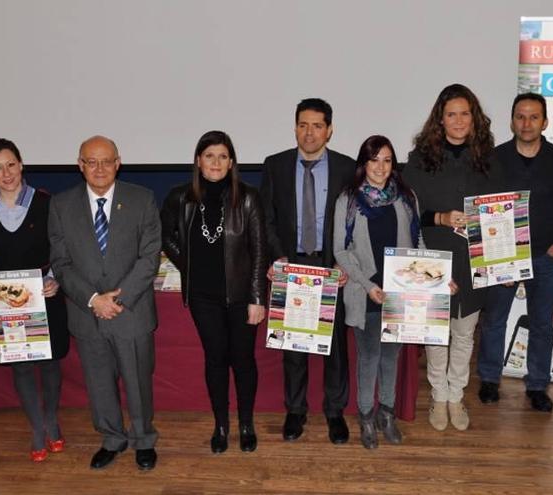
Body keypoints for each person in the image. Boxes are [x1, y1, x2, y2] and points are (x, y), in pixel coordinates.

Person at [48, 135, 161, 471]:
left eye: (107, 161)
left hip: (132, 310)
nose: (100, 168)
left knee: (138, 381)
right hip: (87, 313)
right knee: (98, 382)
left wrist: (118, 298)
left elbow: (149, 256)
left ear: (118, 162)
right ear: (80, 165)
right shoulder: (60, 205)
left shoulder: (142, 199)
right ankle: (112, 438)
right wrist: (94, 299)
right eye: (91, 161)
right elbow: (61, 261)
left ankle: (143, 439)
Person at [402, 83, 505, 432]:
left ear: (474, 119)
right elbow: (409, 211)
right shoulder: (419, 160)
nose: (458, 120)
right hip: (434, 260)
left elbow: (502, 213)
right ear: (440, 120)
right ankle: (438, 394)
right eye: (451, 114)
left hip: (475, 261)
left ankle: (456, 395)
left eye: (465, 113)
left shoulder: (491, 160)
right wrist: (441, 218)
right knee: (436, 334)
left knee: (464, 334)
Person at [161, 130, 267, 454]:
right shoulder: (181, 197)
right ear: (198, 161)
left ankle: (246, 423)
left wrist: (257, 298)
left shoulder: (248, 197)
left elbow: (259, 250)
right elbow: (166, 237)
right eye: (209, 156)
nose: (216, 162)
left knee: (244, 360)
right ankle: (221, 425)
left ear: (231, 161)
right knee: (215, 361)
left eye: (222, 156)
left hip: (240, 298)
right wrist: (188, 265)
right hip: (203, 298)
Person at [476, 93, 553, 412]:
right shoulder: (494, 159)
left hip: (544, 256)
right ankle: (489, 380)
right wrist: (494, 258)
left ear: (545, 122)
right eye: (520, 116)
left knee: (540, 323)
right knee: (494, 320)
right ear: (512, 121)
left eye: (533, 117)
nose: (526, 123)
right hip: (502, 256)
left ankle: (537, 385)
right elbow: (482, 208)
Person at [0, 138, 69, 462]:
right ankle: (37, 428)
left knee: (50, 362)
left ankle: (52, 420)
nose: (6, 173)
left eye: (11, 164)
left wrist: (54, 279)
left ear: (21, 164)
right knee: (23, 366)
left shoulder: (46, 202)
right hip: (2, 300)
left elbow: (60, 250)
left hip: (44, 293)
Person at [260, 98, 354, 444]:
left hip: (331, 266)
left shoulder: (347, 167)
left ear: (329, 130)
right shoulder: (275, 165)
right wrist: (278, 256)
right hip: (292, 264)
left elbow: (354, 221)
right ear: (295, 127)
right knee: (294, 346)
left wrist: (346, 261)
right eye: (303, 124)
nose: (309, 132)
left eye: (317, 125)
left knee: (335, 347)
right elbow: (267, 218)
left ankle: (334, 413)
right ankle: (295, 410)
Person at [333, 135, 421, 449]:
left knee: (391, 357)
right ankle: (366, 417)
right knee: (369, 357)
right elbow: (341, 252)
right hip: (365, 291)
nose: (380, 167)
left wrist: (439, 278)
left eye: (386, 160)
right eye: (374, 160)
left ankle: (387, 413)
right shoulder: (349, 199)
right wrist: (369, 285)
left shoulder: (406, 197)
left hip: (401, 293)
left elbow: (418, 243)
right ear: (364, 163)